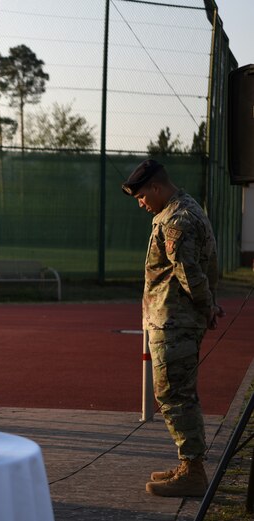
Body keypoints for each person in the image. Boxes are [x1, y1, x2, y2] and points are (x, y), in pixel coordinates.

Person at [122, 159, 224, 497]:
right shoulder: (180, 209)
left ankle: (193, 471)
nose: (141, 204)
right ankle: (187, 464)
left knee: (174, 394)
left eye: (141, 197)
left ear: (155, 186)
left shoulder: (177, 218)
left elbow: (189, 272)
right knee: (176, 392)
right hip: (171, 318)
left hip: (175, 320)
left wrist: (207, 306)